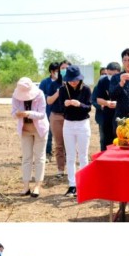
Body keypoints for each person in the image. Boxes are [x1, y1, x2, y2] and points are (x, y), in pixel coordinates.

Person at [11, 77, 49, 197]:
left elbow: (42, 114)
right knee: (26, 158)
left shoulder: (40, 94)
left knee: (39, 157)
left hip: (39, 129)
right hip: (25, 130)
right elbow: (13, 113)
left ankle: (37, 186)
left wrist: (28, 113)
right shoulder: (15, 96)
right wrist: (17, 114)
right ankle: (26, 187)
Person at [58, 65, 92, 197]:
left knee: (83, 155)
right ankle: (72, 185)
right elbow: (60, 107)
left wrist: (79, 104)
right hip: (68, 124)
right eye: (70, 80)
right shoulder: (63, 89)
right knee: (70, 156)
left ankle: (84, 183)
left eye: (75, 80)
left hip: (83, 124)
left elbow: (88, 107)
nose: (73, 82)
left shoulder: (86, 89)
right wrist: (65, 104)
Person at [47, 60, 71, 178]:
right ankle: (60, 169)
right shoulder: (54, 84)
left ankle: (71, 168)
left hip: (70, 117)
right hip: (56, 116)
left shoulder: (75, 83)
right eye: (62, 68)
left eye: (67, 68)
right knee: (59, 144)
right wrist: (58, 92)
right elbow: (49, 101)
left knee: (70, 144)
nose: (64, 70)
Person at [95, 62, 121, 150]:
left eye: (114, 75)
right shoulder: (102, 81)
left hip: (120, 115)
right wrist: (107, 103)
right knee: (105, 140)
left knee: (120, 140)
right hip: (107, 115)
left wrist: (118, 103)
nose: (112, 77)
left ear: (119, 72)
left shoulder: (124, 81)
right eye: (109, 74)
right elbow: (98, 99)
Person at [39, 62, 60, 162]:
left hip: (60, 112)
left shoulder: (63, 82)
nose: (58, 73)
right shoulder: (45, 82)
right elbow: (41, 95)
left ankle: (62, 154)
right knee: (48, 134)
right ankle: (48, 153)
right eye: (56, 71)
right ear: (51, 72)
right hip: (48, 110)